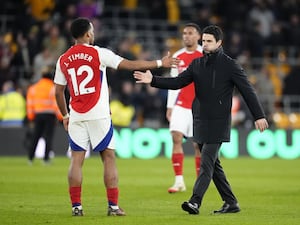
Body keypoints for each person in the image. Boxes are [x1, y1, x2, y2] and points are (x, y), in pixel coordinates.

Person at [134, 25, 269, 215]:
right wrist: (153, 80)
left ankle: (195, 201)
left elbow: (248, 91)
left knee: (206, 162)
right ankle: (231, 203)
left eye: (209, 41)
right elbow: (177, 82)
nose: (204, 45)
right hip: (200, 120)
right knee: (214, 166)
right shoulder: (197, 64)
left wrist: (259, 115)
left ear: (219, 43)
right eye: (203, 41)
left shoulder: (230, 65)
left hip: (219, 121)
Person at [53, 17, 178, 217]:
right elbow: (128, 64)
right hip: (99, 114)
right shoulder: (99, 53)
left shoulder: (63, 59)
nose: (93, 33)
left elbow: (58, 93)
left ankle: (76, 207)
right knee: (109, 158)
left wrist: (65, 116)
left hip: (76, 114)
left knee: (76, 160)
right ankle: (113, 206)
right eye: (91, 31)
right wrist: (159, 63)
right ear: (87, 34)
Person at [166, 23, 203, 193]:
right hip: (180, 104)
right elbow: (174, 82)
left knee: (198, 145)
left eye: (190, 33)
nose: (186, 36)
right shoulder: (178, 56)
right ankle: (179, 181)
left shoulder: (204, 54)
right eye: (184, 33)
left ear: (198, 36)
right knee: (176, 138)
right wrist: (170, 106)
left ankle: (199, 182)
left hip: (199, 106)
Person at [26, 66, 62, 164]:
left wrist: (30, 117)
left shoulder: (34, 88)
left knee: (35, 136)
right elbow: (56, 104)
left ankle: (30, 158)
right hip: (49, 115)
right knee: (48, 137)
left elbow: (30, 103)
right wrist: (61, 117)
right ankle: (46, 159)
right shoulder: (52, 88)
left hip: (38, 115)